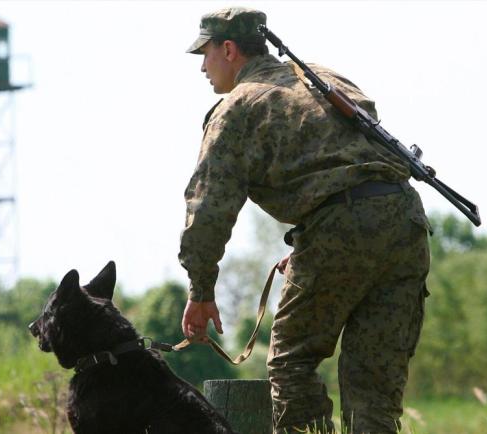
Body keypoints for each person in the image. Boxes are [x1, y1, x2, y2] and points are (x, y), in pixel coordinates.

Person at [178, 7, 431, 434]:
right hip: (405, 221)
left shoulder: (235, 109)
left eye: (205, 53)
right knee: (374, 384)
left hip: (340, 226)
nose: (202, 66)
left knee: (291, 362)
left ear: (228, 48)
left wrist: (201, 288)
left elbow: (208, 207)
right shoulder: (322, 77)